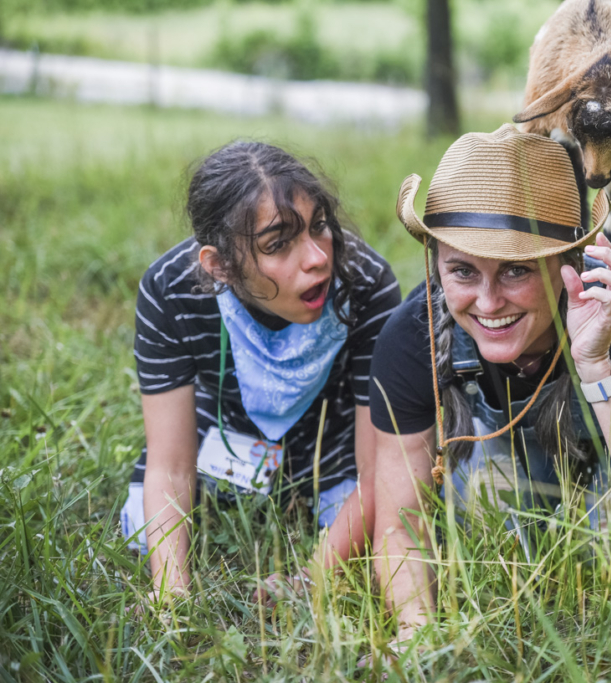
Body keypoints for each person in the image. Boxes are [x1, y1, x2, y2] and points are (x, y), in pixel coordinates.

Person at [368, 125, 611, 643]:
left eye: (514, 271)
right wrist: (415, 635)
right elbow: (400, 523)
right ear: (435, 263)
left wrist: (596, 364)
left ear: (568, 262)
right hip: (541, 406)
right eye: (462, 272)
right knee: (497, 532)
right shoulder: (410, 335)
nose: (487, 304)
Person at [120, 141, 402, 604]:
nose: (317, 258)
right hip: (216, 456)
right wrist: (172, 594)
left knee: (386, 533)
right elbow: (169, 466)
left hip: (330, 468)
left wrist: (308, 581)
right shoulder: (169, 291)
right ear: (219, 267)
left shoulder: (365, 284)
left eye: (319, 226)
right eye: (278, 243)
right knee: (139, 532)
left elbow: (379, 469)